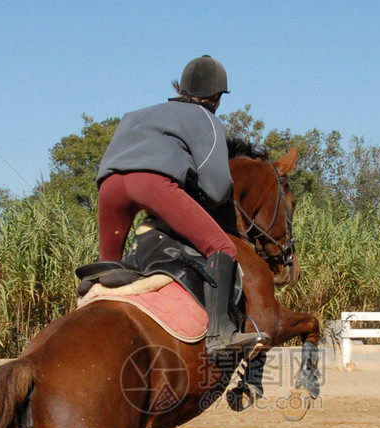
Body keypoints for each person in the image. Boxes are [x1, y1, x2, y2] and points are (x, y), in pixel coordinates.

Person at [96, 55, 265, 356]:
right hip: (151, 185)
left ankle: (88, 321)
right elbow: (217, 189)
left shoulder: (135, 114)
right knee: (222, 248)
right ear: (216, 97)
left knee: (108, 268)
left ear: (182, 87)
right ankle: (219, 333)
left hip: (109, 187)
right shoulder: (207, 120)